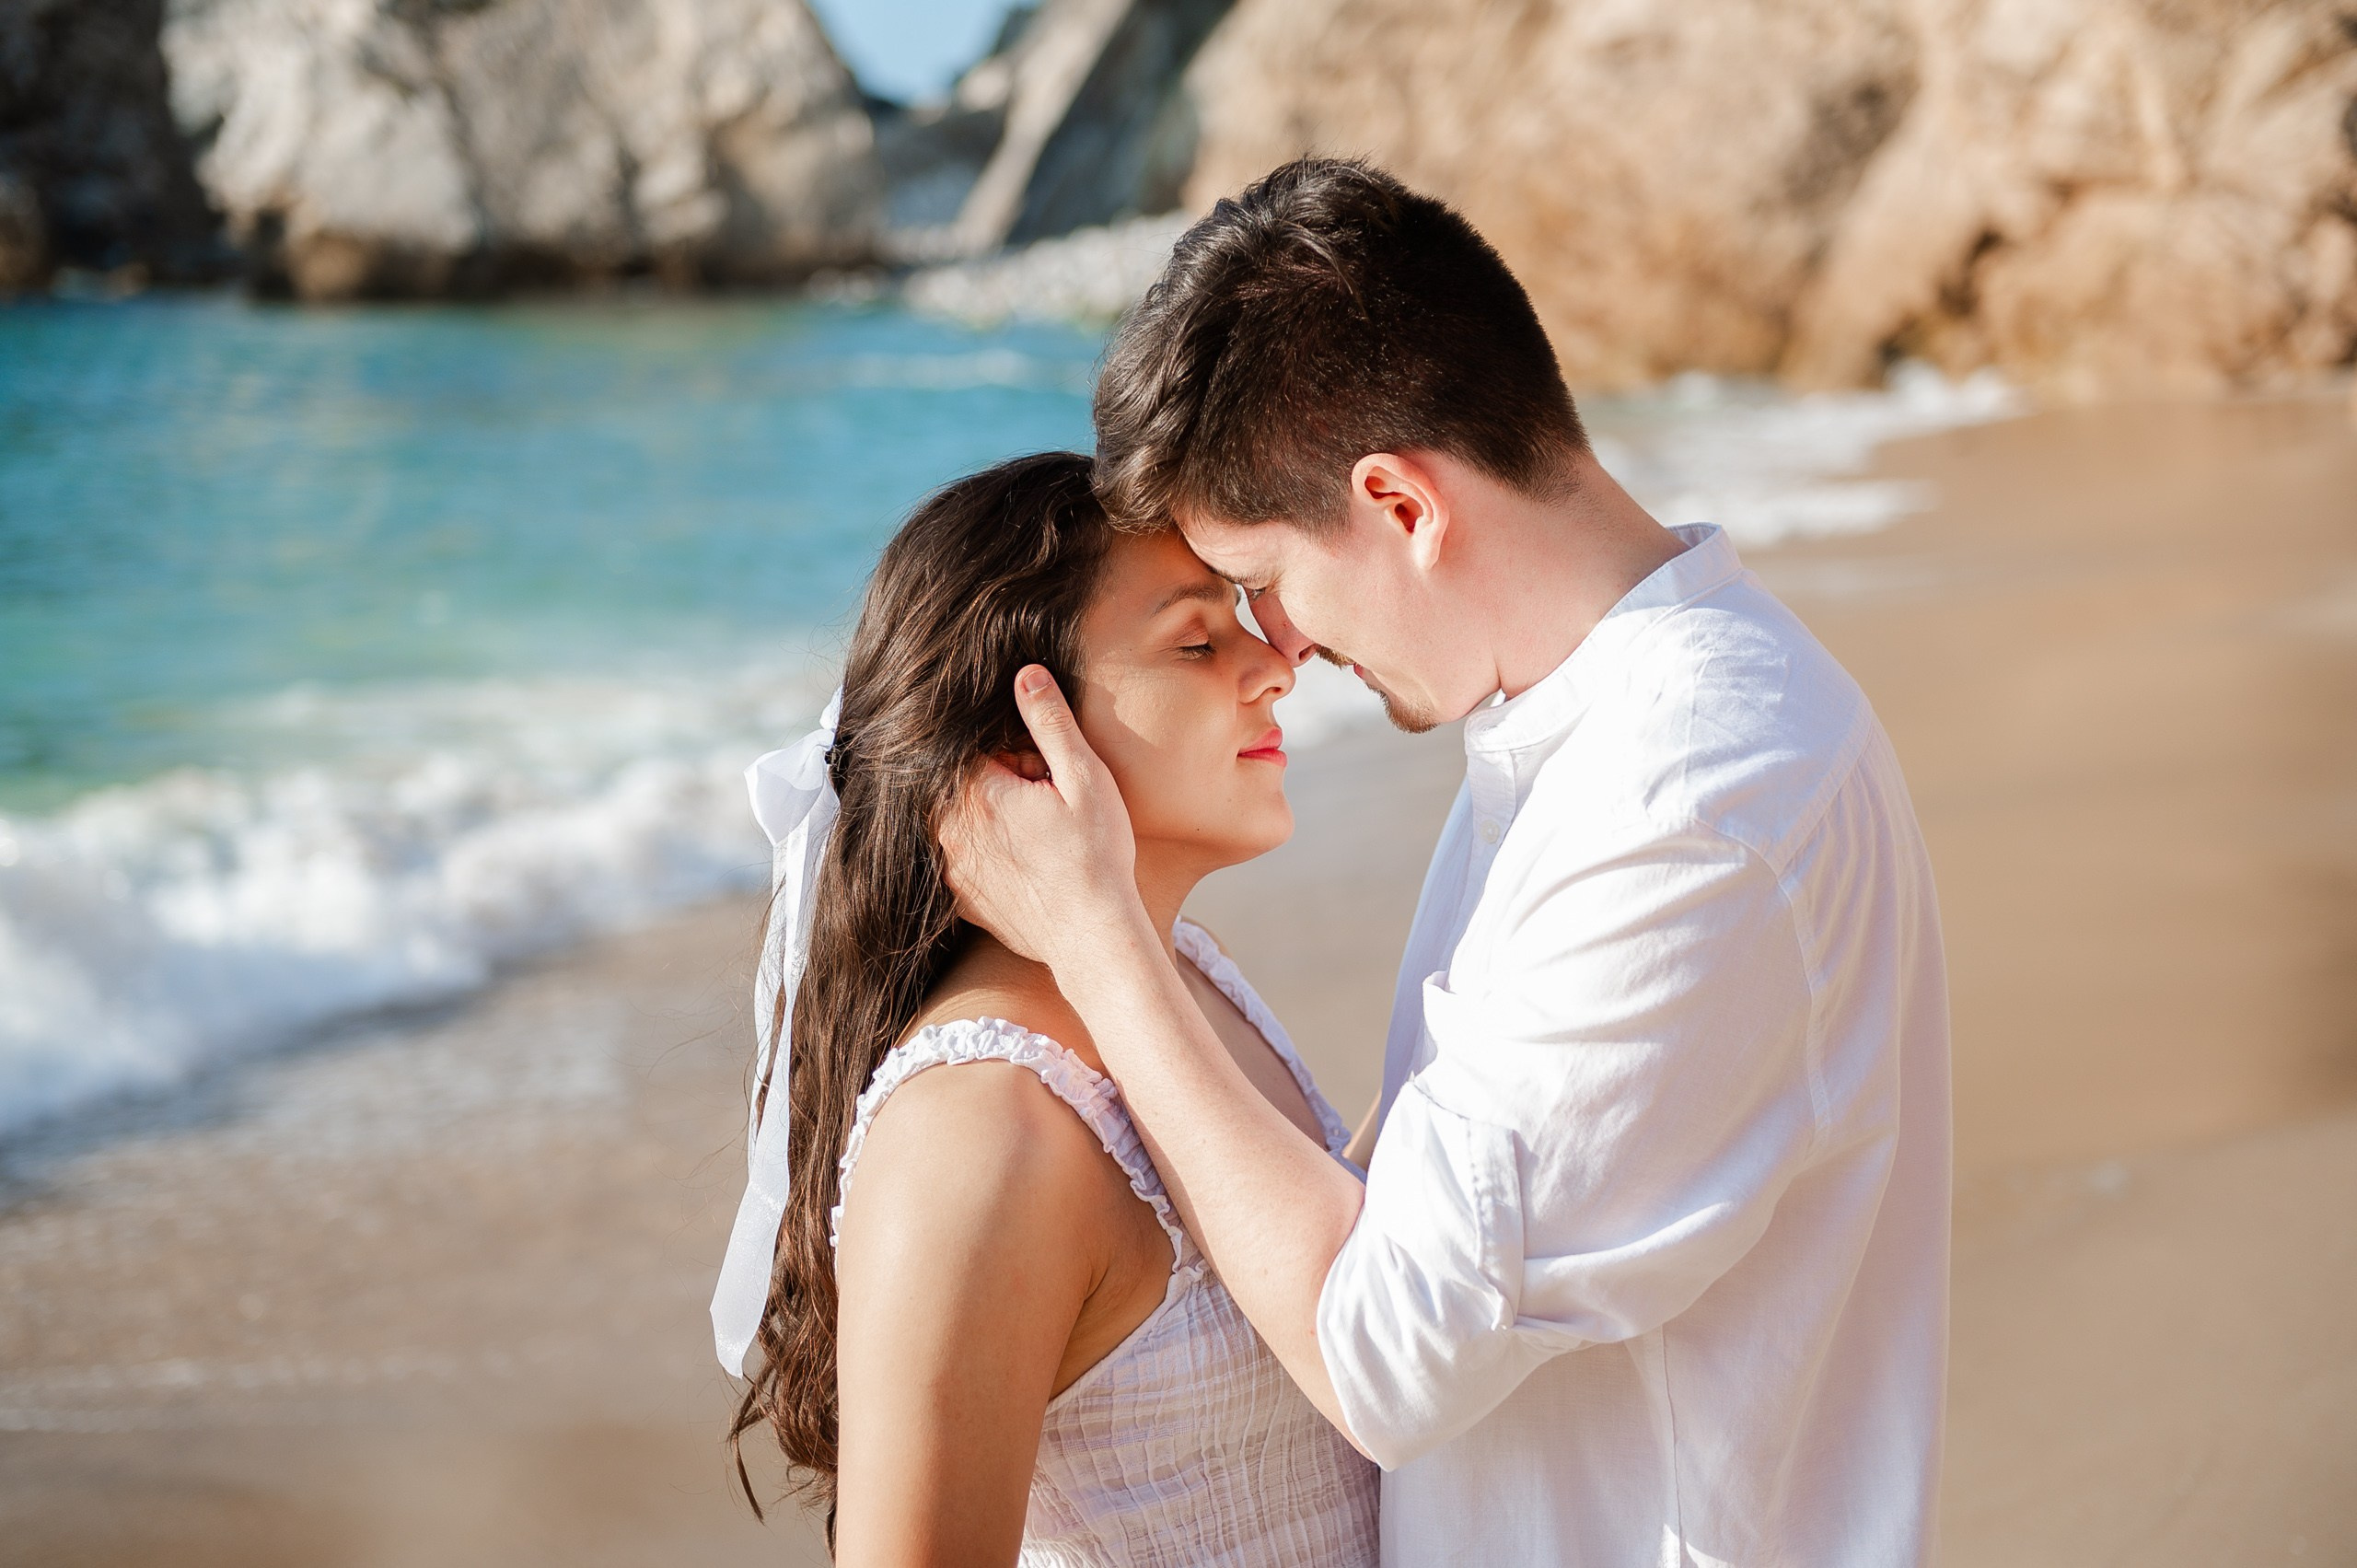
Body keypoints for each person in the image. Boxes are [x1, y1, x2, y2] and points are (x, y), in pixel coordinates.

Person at [944, 160, 1954, 1565]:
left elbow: (1385, 1353)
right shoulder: (1585, 732)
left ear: (1402, 505)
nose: (1280, 647)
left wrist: (1100, 937)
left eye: (1271, 580)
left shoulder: (1695, 797)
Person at [709, 452, 1377, 1566]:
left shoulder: (1191, 980)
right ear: (1027, 747)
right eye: (1196, 641)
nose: (1275, 667)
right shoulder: (981, 1129)